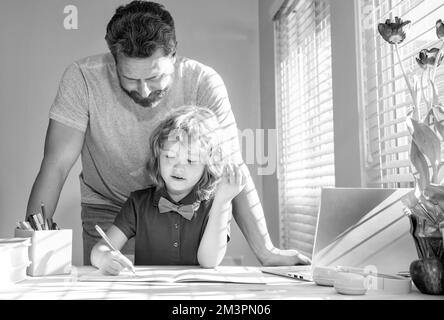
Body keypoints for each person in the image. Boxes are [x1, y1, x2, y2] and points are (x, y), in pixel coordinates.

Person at [25, 0, 311, 266]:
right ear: (114, 62)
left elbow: (232, 166)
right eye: (130, 79)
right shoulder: (82, 78)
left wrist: (266, 252)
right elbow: (56, 165)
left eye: (154, 77)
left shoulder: (203, 82)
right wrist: (31, 245)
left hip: (186, 208)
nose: (144, 90)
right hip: (108, 208)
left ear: (173, 56)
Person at [91, 106, 244, 274]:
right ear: (157, 157)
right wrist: (105, 258)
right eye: (170, 156)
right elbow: (100, 249)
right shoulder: (138, 203)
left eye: (191, 160)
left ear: (208, 166)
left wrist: (223, 201)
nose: (178, 167)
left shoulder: (217, 205)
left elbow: (209, 261)